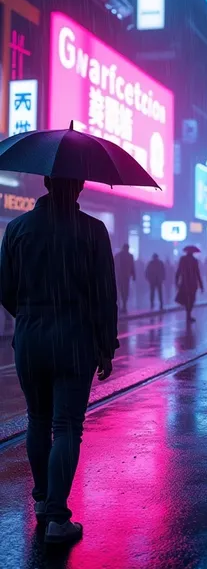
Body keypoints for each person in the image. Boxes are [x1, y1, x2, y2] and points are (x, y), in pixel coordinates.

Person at [0, 177, 118, 545]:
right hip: (75, 338)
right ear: (81, 185)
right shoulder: (92, 231)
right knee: (67, 426)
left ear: (47, 182)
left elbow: (4, 288)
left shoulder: (18, 229)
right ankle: (57, 516)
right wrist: (105, 344)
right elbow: (105, 294)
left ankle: (40, 500)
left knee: (38, 420)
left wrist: (30, 316)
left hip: (31, 337)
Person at [175, 247, 204, 322]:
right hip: (192, 283)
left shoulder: (183, 259)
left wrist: (176, 280)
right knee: (191, 299)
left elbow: (179, 270)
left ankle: (188, 315)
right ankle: (188, 314)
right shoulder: (194, 260)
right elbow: (197, 273)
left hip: (185, 282)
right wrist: (201, 285)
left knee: (186, 298)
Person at [115, 244, 135, 314]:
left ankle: (121, 305)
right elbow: (132, 266)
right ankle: (123, 305)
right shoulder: (130, 256)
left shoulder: (118, 255)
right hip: (125, 276)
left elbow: (114, 265)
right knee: (124, 291)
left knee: (120, 291)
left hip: (120, 276)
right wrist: (133, 275)